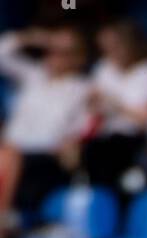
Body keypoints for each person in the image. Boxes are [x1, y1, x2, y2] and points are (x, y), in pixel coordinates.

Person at [0, 26, 91, 225]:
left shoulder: (83, 88)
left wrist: (71, 143)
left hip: (44, 156)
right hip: (10, 150)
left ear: (80, 57)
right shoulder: (33, 76)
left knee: (9, 157)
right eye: (52, 50)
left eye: (65, 52)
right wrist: (31, 37)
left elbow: (81, 128)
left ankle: (3, 217)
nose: (55, 56)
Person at [81, 19, 147, 186]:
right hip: (105, 136)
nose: (111, 53)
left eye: (115, 46)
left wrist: (116, 105)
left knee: (108, 151)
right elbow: (92, 109)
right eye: (106, 49)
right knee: (93, 150)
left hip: (136, 138)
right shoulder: (104, 68)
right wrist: (93, 103)